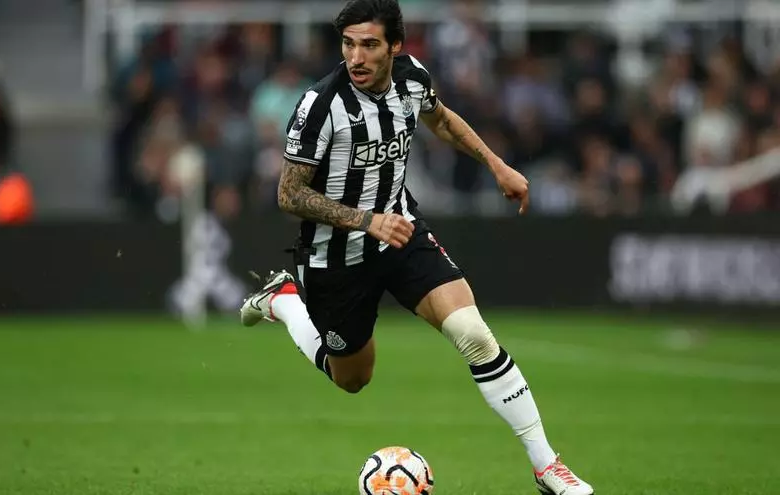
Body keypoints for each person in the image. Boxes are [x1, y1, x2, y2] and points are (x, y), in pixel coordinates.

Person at [239, 1, 593, 493]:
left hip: (402, 234)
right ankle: (285, 301)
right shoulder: (320, 105)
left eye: (369, 45)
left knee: (473, 333)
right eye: (348, 45)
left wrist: (497, 166)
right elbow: (289, 194)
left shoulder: (411, 78)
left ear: (395, 46)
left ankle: (546, 466)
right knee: (352, 379)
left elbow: (441, 120)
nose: (356, 57)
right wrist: (367, 221)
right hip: (336, 258)